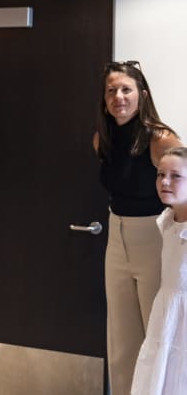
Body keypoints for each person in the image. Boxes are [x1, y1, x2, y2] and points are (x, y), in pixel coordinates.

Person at [94, 60, 181, 395]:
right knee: (121, 341)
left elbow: (182, 187)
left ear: (141, 94)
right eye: (111, 90)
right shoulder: (102, 139)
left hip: (155, 238)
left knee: (157, 335)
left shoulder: (159, 138)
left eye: (126, 89)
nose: (119, 96)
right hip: (117, 237)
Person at [131, 146, 187, 394]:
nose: (165, 182)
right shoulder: (166, 222)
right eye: (160, 174)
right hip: (166, 314)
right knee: (161, 371)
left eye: (176, 176)